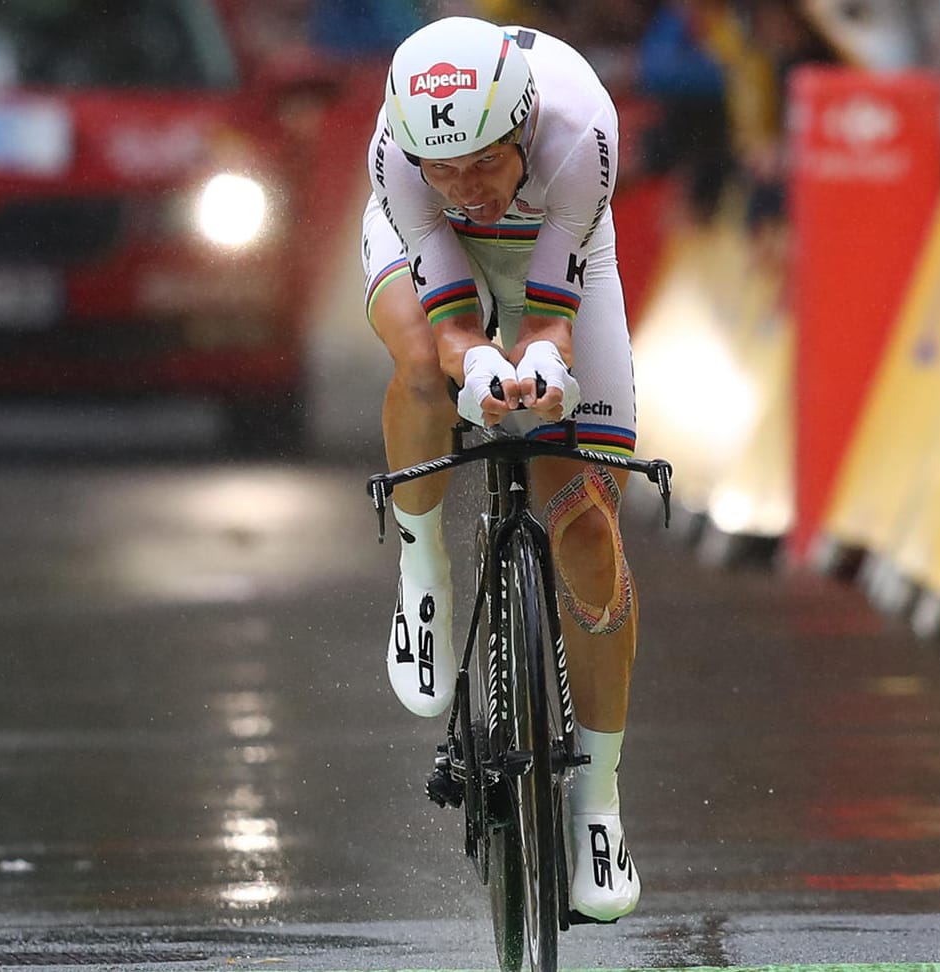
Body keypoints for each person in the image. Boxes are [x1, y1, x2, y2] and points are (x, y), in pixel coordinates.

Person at [361, 16, 642, 922]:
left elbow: (554, 320)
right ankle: (423, 569)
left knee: (590, 532)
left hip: (557, 246)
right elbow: (450, 325)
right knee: (420, 367)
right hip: (431, 256)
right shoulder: (402, 160)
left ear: (522, 125)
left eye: (482, 161)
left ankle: (596, 800)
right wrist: (475, 361)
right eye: (443, 169)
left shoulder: (580, 133)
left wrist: (543, 364)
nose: (465, 187)